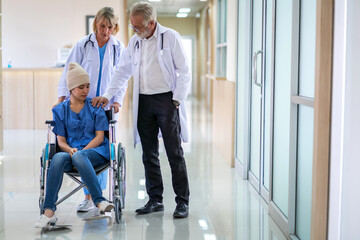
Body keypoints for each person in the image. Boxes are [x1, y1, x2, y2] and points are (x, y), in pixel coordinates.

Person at [92, 1, 191, 218]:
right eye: (132, 27)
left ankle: (182, 202)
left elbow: (184, 71)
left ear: (152, 23)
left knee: (174, 153)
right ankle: (155, 199)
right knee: (149, 154)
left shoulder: (170, 37)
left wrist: (176, 100)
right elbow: (122, 71)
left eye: (138, 27)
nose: (135, 31)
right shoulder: (136, 42)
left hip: (167, 100)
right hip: (144, 102)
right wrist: (107, 95)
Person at [55, 7, 125, 212]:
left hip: (105, 104)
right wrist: (62, 97)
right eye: (103, 26)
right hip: (83, 103)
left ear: (115, 28)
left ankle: (98, 195)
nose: (106, 31)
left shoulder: (118, 47)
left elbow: (122, 77)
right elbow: (69, 69)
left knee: (102, 149)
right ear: (96, 23)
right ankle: (88, 197)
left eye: (110, 27)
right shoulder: (83, 44)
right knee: (85, 144)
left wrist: (117, 101)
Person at [35, 62, 114, 228]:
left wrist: (80, 154)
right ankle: (49, 211)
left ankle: (99, 201)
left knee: (79, 156)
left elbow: (100, 137)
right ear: (71, 88)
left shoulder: (96, 107)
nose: (86, 91)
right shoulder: (60, 110)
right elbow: (61, 141)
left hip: (96, 152)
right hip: (71, 152)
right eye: (81, 87)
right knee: (57, 159)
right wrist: (70, 150)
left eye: (87, 86)